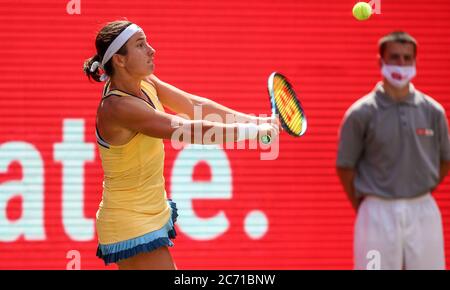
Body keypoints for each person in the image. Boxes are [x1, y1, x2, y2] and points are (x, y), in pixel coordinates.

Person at [83, 20, 279, 270]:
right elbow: (187, 129)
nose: (152, 50)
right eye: (141, 45)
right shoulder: (118, 108)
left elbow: (195, 105)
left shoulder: (146, 82)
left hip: (146, 213)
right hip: (130, 220)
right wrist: (255, 132)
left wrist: (257, 120)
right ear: (120, 60)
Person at [336, 31, 450, 270]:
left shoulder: (434, 112)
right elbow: (345, 166)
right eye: (395, 57)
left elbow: (444, 161)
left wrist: (416, 189)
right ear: (381, 62)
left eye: (407, 58)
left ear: (415, 62)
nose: (401, 64)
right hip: (376, 212)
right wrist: (366, 204)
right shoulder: (360, 113)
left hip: (422, 210)